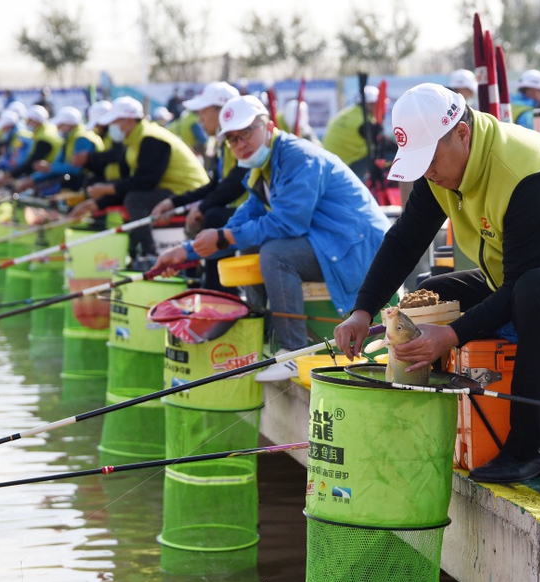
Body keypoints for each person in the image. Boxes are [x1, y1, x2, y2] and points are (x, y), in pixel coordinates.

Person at [334, 83, 540, 484]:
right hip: (534, 276)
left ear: (462, 134)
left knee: (538, 294)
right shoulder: (442, 170)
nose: (427, 173)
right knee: (436, 291)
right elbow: (404, 240)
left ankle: (531, 448)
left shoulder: (526, 172)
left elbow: (523, 284)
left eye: (430, 160)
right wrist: (362, 311)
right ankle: (432, 422)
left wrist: (451, 334)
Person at [153, 95, 391, 381]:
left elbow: (288, 223)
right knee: (248, 242)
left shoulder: (300, 157)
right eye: (232, 139)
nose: (241, 144)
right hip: (329, 240)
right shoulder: (264, 166)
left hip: (357, 245)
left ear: (267, 125)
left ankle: (293, 351)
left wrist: (224, 236)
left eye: (246, 132)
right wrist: (187, 251)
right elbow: (244, 218)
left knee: (276, 253)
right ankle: (267, 339)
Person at [70, 96, 209, 260]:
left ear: (129, 121)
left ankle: (150, 253)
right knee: (131, 197)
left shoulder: (151, 137)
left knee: (135, 200)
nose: (111, 127)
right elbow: (132, 182)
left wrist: (107, 189)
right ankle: (137, 252)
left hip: (191, 191)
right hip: (170, 189)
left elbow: (146, 181)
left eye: (115, 122)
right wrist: (97, 203)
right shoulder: (134, 140)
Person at [151, 81, 247, 291]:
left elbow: (236, 183)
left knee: (212, 216)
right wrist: (174, 202)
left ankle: (217, 292)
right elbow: (215, 185)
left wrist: (201, 207)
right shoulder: (222, 143)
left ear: (223, 111)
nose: (199, 119)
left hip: (253, 214)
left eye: (203, 112)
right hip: (236, 211)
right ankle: (195, 284)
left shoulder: (240, 138)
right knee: (207, 214)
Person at [322, 85, 382, 179]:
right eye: (380, 104)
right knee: (387, 155)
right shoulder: (363, 122)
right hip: (346, 166)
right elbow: (382, 143)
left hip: (331, 164)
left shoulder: (347, 113)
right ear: (370, 104)